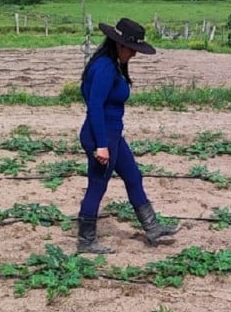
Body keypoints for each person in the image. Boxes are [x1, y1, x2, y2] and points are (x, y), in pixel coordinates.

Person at [75, 18, 180, 254]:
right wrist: (102, 145)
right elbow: (95, 107)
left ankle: (152, 228)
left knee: (133, 176)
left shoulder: (111, 65)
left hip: (112, 134)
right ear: (119, 44)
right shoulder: (105, 67)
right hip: (101, 136)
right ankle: (86, 241)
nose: (133, 54)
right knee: (97, 186)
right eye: (131, 49)